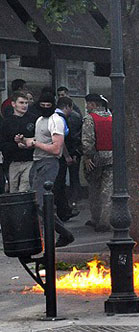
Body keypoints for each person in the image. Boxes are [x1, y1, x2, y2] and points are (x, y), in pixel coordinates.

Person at [15, 92, 74, 247]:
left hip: (49, 163)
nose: (45, 108)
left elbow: (56, 149)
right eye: (43, 105)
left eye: (49, 105)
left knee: (41, 203)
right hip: (37, 162)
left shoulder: (56, 121)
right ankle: (48, 236)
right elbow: (37, 143)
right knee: (38, 203)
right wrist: (23, 142)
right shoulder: (40, 120)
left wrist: (34, 143)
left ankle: (63, 234)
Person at [81, 93, 113, 232]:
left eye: (88, 104)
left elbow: (88, 141)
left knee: (94, 189)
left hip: (96, 158)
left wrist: (87, 157)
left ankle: (96, 218)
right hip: (112, 157)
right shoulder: (113, 118)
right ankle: (105, 220)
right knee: (108, 190)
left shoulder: (89, 119)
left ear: (93, 104)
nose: (87, 107)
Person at [0, 91, 37, 193]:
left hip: (29, 160)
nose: (24, 105)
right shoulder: (7, 122)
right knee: (13, 191)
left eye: (26, 103)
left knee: (24, 190)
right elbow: (2, 143)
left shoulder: (33, 119)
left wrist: (29, 142)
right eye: (21, 103)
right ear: (13, 104)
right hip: (13, 162)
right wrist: (16, 145)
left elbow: (40, 138)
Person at [53, 96, 82, 222]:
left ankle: (64, 210)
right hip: (59, 156)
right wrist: (68, 156)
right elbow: (62, 140)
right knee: (59, 184)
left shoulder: (53, 117)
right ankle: (62, 211)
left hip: (54, 155)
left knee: (59, 184)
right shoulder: (61, 119)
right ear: (68, 106)